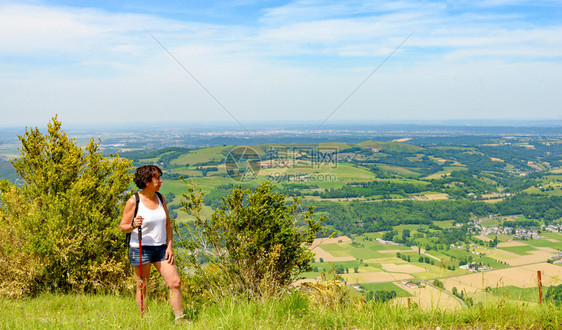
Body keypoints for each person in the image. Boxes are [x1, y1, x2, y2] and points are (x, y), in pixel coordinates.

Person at [120, 165, 185, 322]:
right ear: (146, 181)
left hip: (162, 248)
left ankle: (180, 319)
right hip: (140, 249)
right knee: (142, 286)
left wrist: (169, 247)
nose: (161, 180)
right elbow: (123, 227)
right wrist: (133, 225)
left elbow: (168, 224)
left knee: (175, 282)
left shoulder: (160, 198)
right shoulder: (133, 201)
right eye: (157, 178)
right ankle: (145, 320)